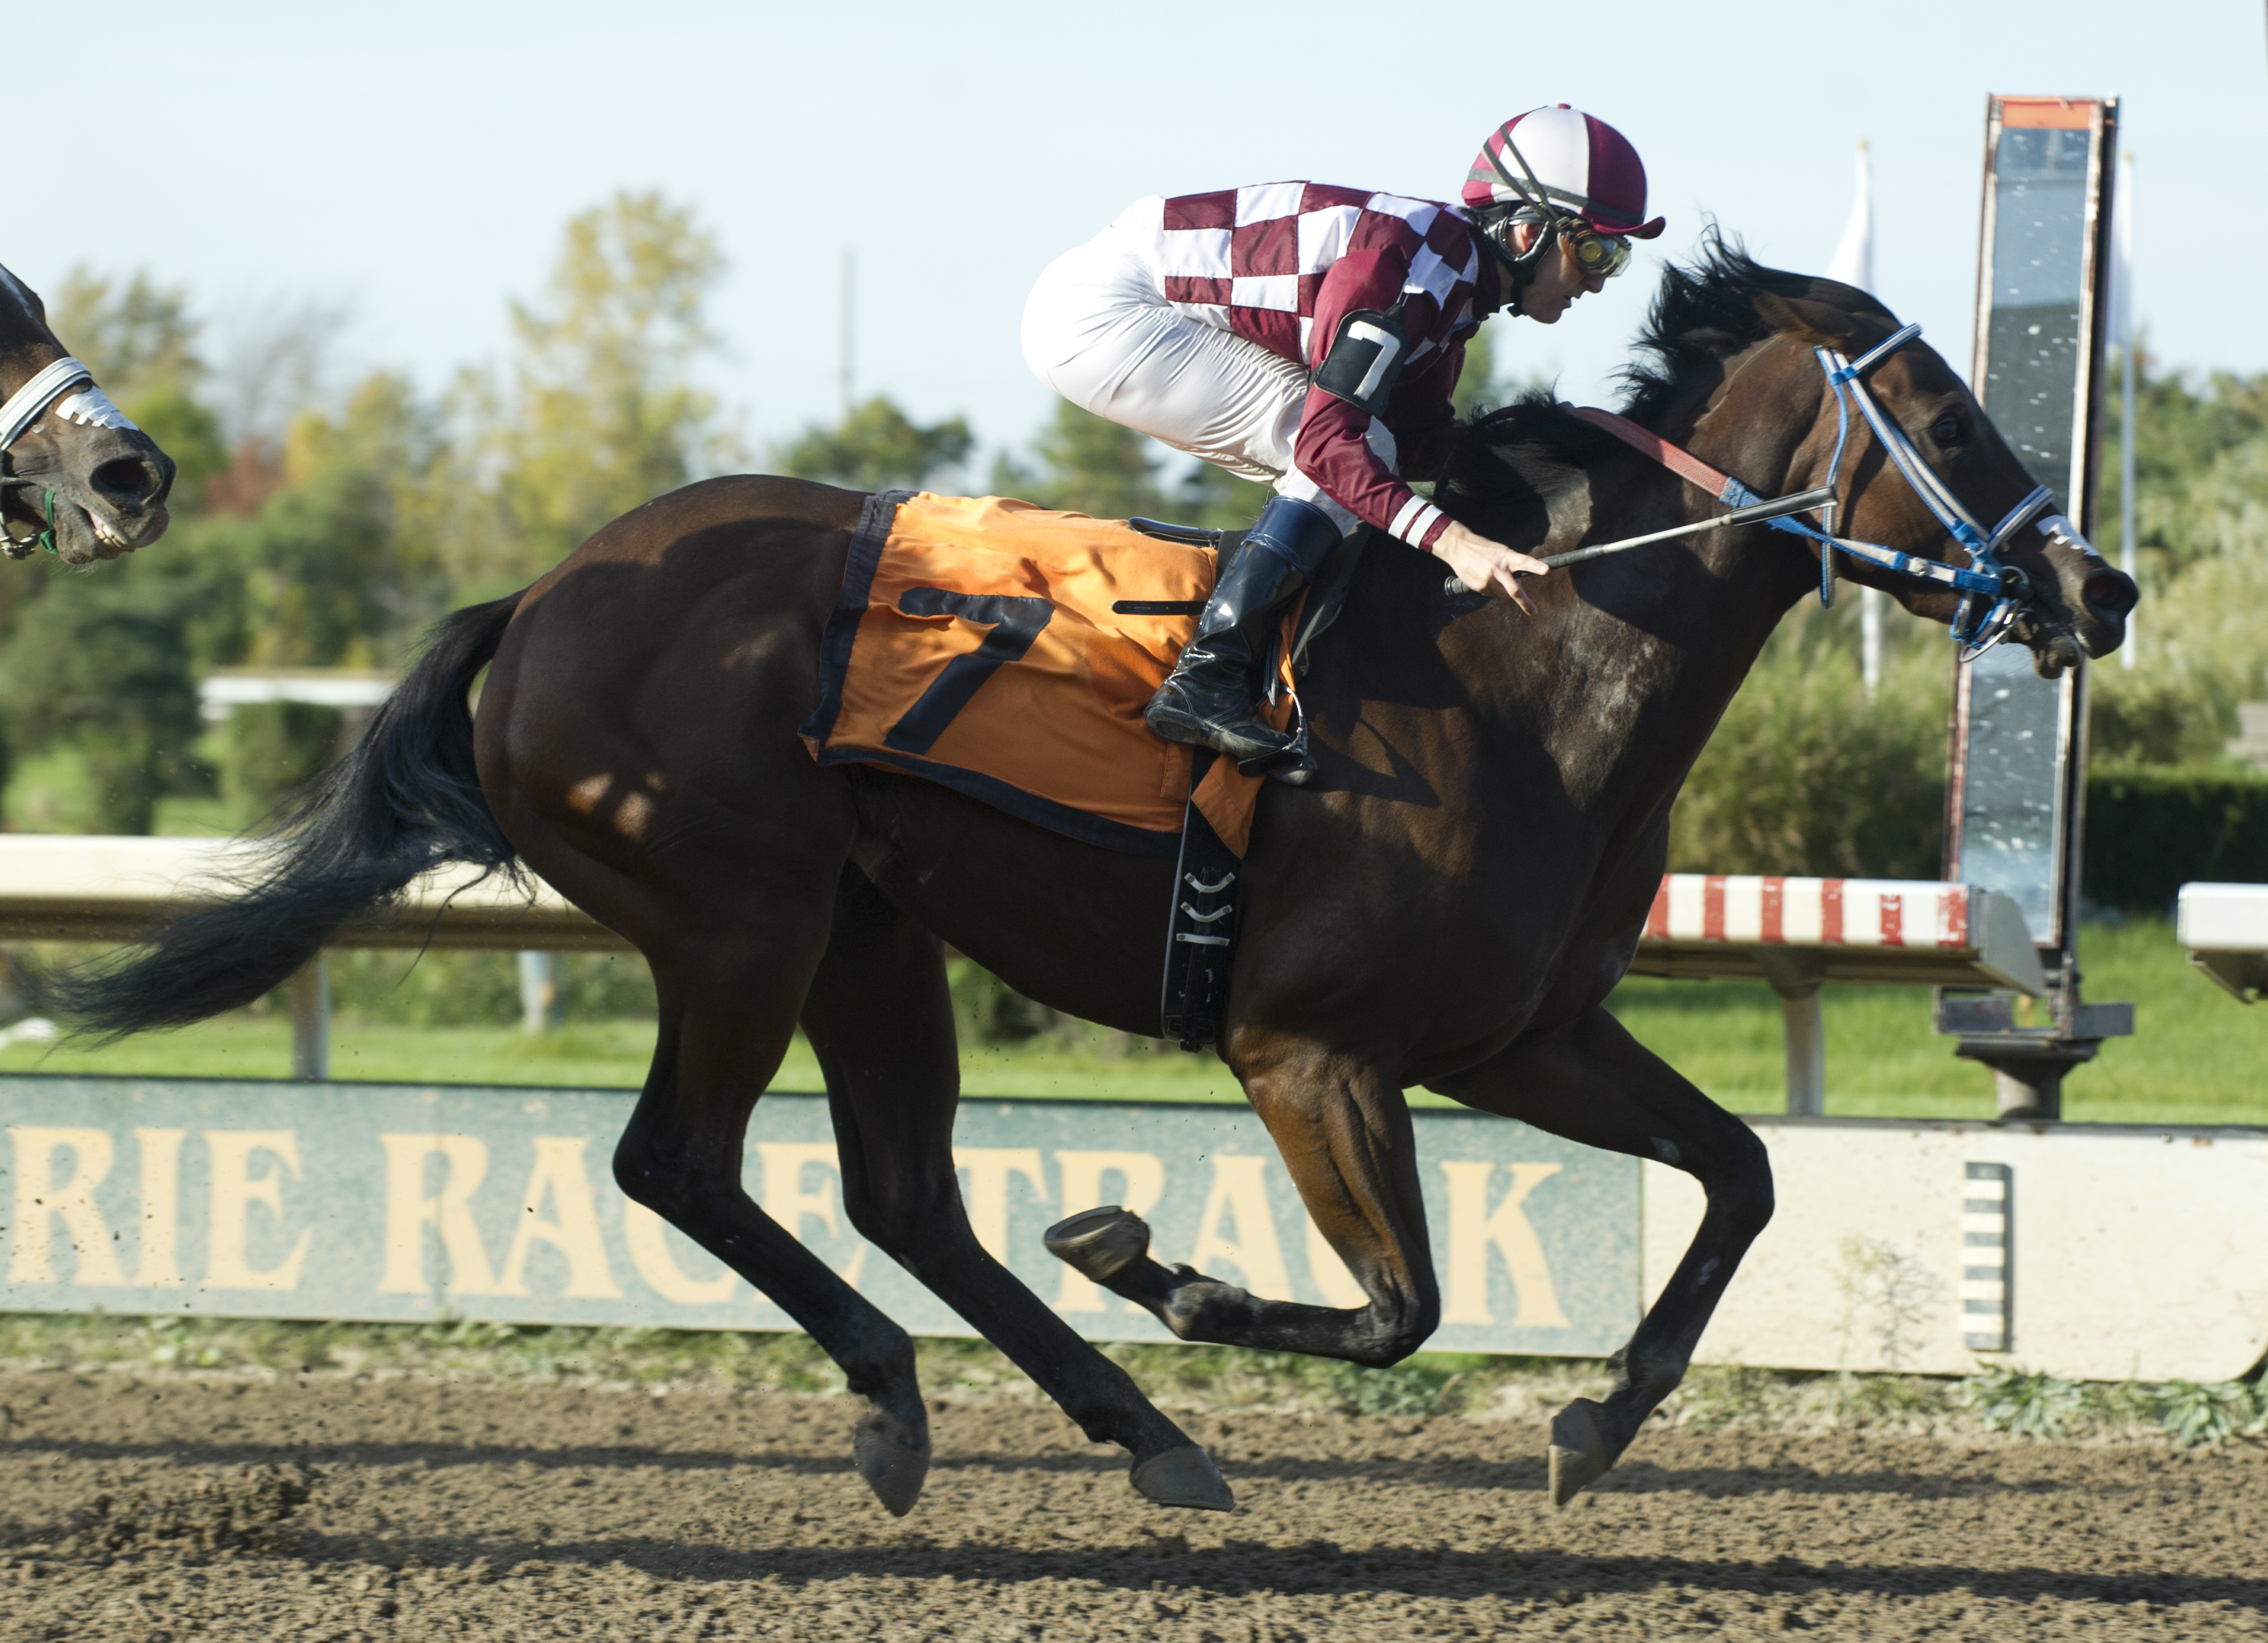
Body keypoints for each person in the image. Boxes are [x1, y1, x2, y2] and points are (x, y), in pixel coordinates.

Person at [1021, 104, 1664, 777]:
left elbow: (1423, 442)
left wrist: (1566, 440)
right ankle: (1206, 677)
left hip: (1123, 300)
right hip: (1103, 310)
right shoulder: (1414, 274)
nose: (1597, 279)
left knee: (1370, 449)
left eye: (1614, 258)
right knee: (1340, 449)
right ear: (1527, 230)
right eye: (1593, 249)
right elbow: (1330, 448)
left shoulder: (1452, 285)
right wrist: (1456, 543)